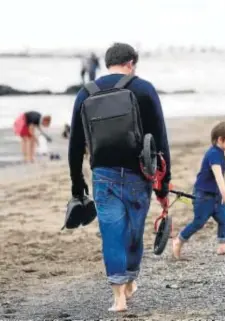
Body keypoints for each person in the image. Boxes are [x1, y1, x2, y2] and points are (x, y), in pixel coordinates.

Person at [68, 42, 171, 313]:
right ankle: (130, 281)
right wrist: (164, 184)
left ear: (106, 63)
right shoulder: (144, 88)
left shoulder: (86, 92)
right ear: (132, 62)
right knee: (134, 233)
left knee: (111, 233)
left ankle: (118, 298)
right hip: (140, 175)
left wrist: (77, 185)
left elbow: (76, 145)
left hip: (103, 175)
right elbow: (161, 138)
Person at [172, 121, 225, 259]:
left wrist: (221, 191)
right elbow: (217, 172)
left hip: (215, 194)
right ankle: (178, 240)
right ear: (220, 139)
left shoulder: (220, 153)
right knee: (199, 222)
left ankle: (222, 246)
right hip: (204, 195)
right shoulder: (214, 154)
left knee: (224, 218)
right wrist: (224, 190)